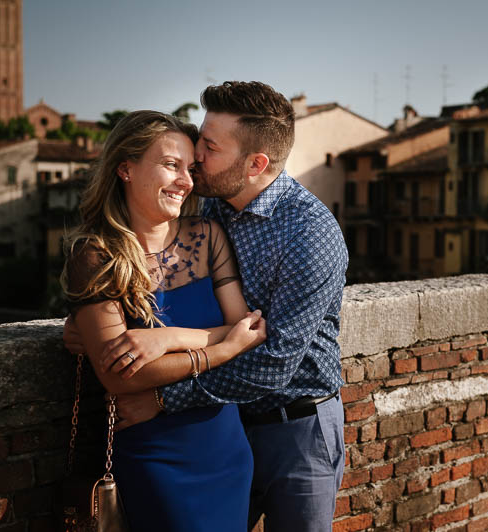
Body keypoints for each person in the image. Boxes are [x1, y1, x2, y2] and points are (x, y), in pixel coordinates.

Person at [68, 81, 349, 531]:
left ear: (255, 164)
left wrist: (164, 395)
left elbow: (274, 360)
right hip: (228, 422)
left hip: (295, 427)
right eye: (201, 139)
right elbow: (140, 265)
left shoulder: (309, 233)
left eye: (210, 147)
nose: (197, 157)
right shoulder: (210, 210)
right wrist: (88, 313)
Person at [61, 110, 267, 531]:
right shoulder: (95, 255)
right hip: (153, 455)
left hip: (225, 449)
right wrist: (223, 349)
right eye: (171, 165)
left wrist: (167, 338)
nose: (186, 181)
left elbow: (246, 327)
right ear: (126, 169)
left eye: (190, 169)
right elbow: (121, 376)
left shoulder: (208, 236)